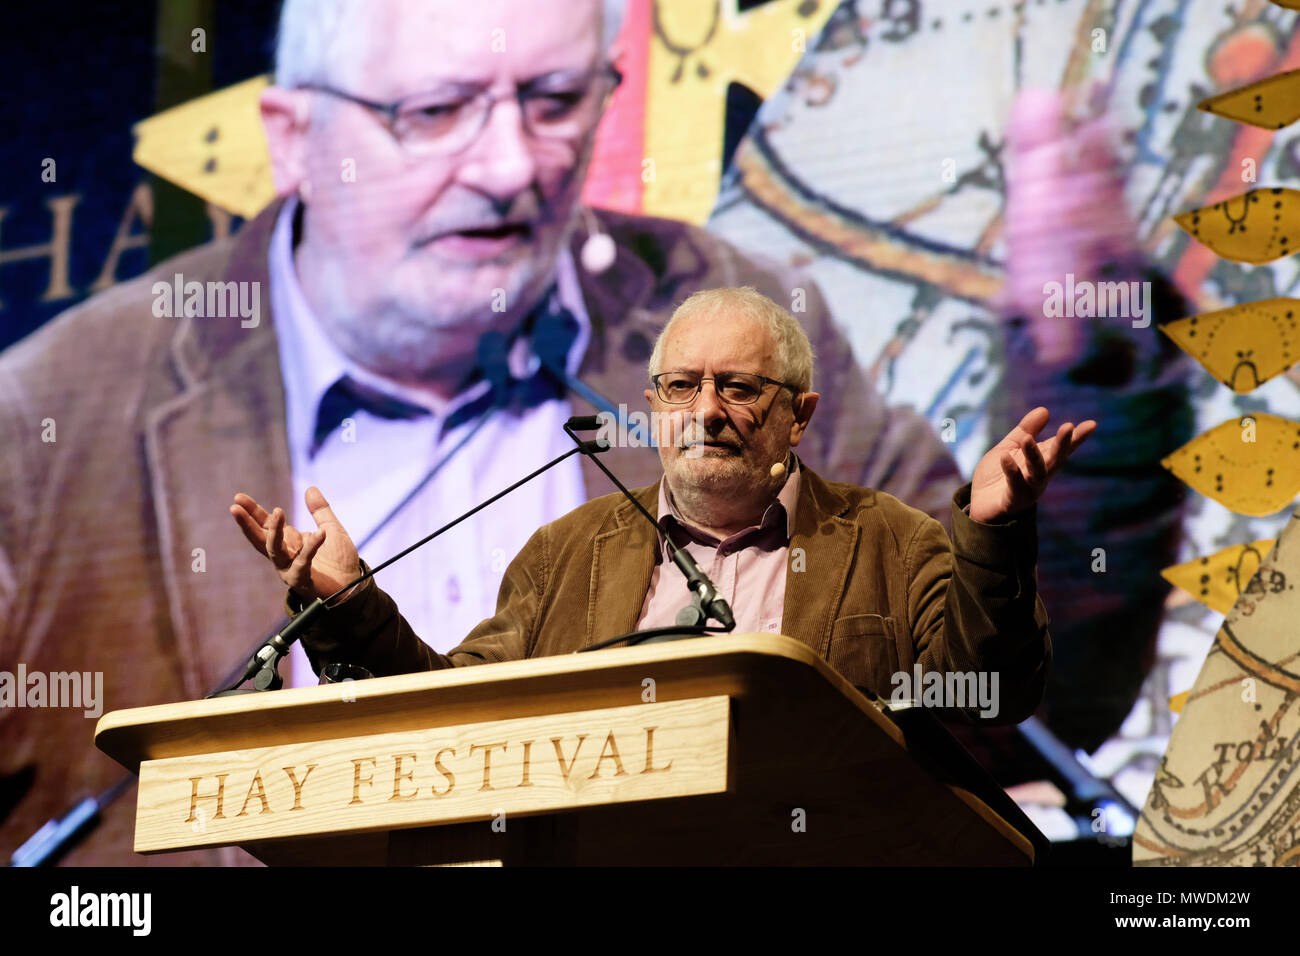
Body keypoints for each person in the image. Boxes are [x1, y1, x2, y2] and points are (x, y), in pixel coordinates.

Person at [0, 0, 962, 865]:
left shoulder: (736, 337)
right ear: (293, 137)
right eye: (434, 111)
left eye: (553, 99)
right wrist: (350, 617)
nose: (511, 168)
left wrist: (1095, 408)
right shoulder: (47, 416)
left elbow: (990, 700)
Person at [234, 288, 1094, 724]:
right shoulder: (565, 553)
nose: (707, 412)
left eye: (740, 388)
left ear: (801, 414)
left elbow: (992, 692)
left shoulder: (888, 540)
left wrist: (992, 532)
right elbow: (457, 715)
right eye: (682, 386)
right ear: (651, 405)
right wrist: (348, 608)